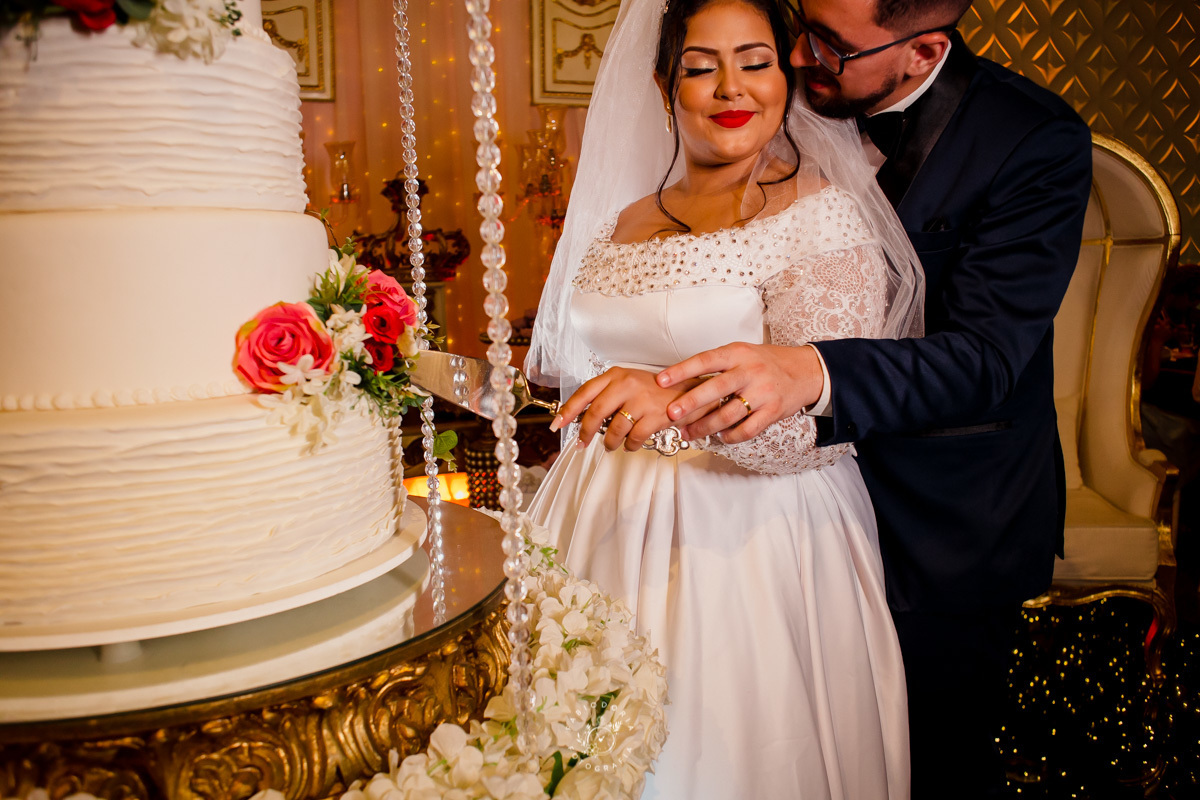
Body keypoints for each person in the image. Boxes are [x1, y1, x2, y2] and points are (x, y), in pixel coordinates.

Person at [653, 0, 1094, 796]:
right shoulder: (786, 97)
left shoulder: (1034, 139)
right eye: (799, 22)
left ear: (924, 50)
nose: (794, 54)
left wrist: (811, 372)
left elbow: (987, 360)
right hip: (782, 521)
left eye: (827, 44)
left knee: (927, 764)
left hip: (940, 527)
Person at [525, 0, 925, 796]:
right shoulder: (617, 223)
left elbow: (820, 431)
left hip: (754, 537)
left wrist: (666, 404)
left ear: (788, 74)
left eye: (754, 61)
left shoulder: (819, 216)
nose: (728, 87)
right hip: (598, 516)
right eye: (700, 67)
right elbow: (579, 368)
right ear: (663, 84)